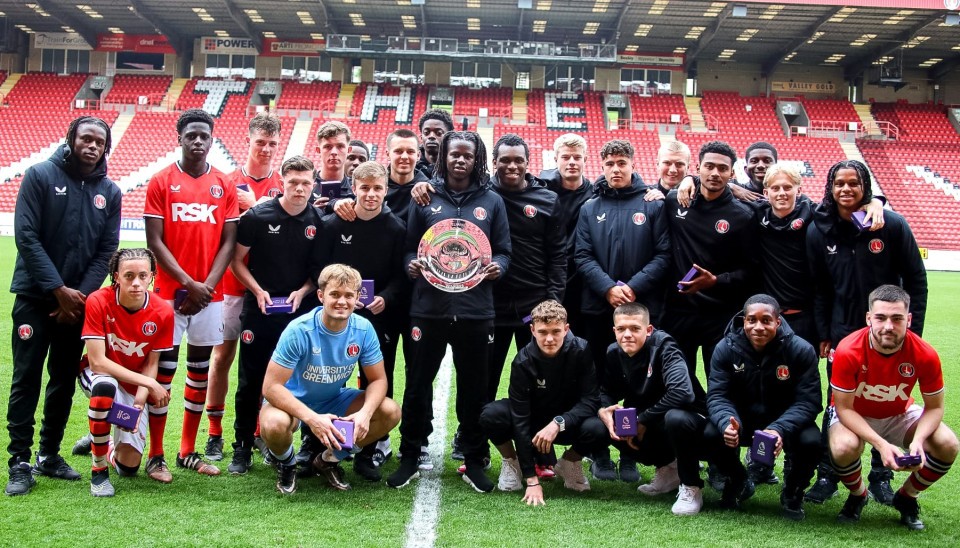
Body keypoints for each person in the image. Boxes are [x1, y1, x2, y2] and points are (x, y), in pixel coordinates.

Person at [387, 131, 511, 493]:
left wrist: (498, 267)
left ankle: (474, 458)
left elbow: (503, 250)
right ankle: (410, 454)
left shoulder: (492, 200)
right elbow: (410, 248)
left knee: (475, 388)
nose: (460, 161)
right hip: (428, 309)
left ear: (477, 159)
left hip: (476, 311)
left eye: (467, 156)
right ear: (443, 157)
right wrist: (412, 264)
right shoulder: (424, 196)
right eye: (454, 155)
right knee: (417, 384)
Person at [5, 115, 121, 496]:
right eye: (85, 139)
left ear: (106, 147)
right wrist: (57, 289)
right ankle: (19, 461)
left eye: (99, 142)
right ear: (71, 139)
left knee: (61, 381)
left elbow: (107, 249)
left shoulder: (110, 191)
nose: (92, 146)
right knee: (26, 378)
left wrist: (79, 296)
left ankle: (49, 454)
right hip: (36, 299)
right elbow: (26, 235)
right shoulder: (40, 175)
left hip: (77, 305)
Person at [805, 160, 928, 505]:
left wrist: (911, 333)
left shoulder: (890, 224)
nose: (846, 190)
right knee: (837, 403)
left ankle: (882, 475)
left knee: (886, 402)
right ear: (830, 188)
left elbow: (916, 280)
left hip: (889, 334)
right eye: (839, 184)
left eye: (853, 184)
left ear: (865, 188)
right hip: (843, 335)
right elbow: (820, 288)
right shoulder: (820, 230)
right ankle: (828, 474)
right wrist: (824, 333)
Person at [144, 108, 239, 477]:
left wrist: (207, 287)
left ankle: (187, 450)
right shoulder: (161, 181)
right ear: (179, 138)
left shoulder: (224, 184)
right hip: (169, 294)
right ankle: (155, 454)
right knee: (163, 375)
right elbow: (155, 241)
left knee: (199, 373)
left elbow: (228, 242)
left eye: (204, 136)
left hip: (209, 297)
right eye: (191, 136)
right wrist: (189, 284)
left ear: (212, 140)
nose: (198, 141)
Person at [575, 139, 672, 483]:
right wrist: (608, 288)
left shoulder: (653, 205)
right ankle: (599, 452)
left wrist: (633, 288)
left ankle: (630, 453)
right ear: (601, 167)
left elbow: (664, 254)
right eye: (609, 164)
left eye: (621, 162)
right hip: (598, 309)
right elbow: (582, 255)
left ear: (632, 164)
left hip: (641, 308)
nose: (616, 169)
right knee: (599, 379)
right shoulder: (590, 207)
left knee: (640, 382)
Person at [259, 264, 401, 494]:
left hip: (333, 399)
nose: (341, 302)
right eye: (334, 294)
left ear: (357, 298)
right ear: (321, 295)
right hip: (292, 402)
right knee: (275, 425)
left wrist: (364, 415)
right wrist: (312, 419)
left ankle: (328, 460)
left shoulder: (364, 329)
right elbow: (271, 387)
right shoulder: (299, 330)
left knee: (389, 411)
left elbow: (378, 380)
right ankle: (287, 464)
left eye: (348, 295)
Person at [226, 155, 325, 476]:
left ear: (314, 184)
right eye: (293, 182)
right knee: (250, 380)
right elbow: (236, 260)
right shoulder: (257, 216)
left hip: (301, 313)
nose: (299, 189)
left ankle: (300, 443)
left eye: (305, 183)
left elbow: (318, 272)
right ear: (282, 181)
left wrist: (303, 291)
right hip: (260, 310)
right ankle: (242, 446)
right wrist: (256, 290)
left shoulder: (318, 222)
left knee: (302, 381)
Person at [829, 285, 957, 530]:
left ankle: (906, 497)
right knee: (843, 447)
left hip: (898, 412)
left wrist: (918, 441)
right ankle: (858, 495)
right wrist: (881, 444)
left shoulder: (925, 354)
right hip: (855, 414)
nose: (888, 326)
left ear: (908, 320)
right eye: (880, 317)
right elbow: (844, 408)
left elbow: (935, 408)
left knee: (948, 444)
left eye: (897, 318)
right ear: (869, 318)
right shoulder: (848, 349)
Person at [205, 112, 284, 462]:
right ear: (247, 142)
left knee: (265, 365)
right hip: (229, 286)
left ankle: (256, 431)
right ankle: (215, 432)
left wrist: (259, 206)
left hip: (266, 289)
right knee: (222, 357)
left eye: (271, 144)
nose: (265, 149)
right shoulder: (226, 182)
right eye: (259, 143)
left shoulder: (284, 184)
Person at [320, 160, 408, 472]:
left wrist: (386, 297)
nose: (371, 195)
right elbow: (320, 267)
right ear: (353, 188)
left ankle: (366, 451)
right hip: (336, 317)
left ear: (386, 191)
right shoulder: (335, 224)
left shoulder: (396, 228)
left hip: (378, 317)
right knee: (327, 378)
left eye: (377, 189)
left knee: (378, 380)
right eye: (365, 188)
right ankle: (317, 444)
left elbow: (401, 275)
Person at [585, 302, 710, 515]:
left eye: (635, 328)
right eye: (621, 329)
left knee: (674, 418)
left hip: (693, 423)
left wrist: (643, 420)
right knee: (598, 426)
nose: (627, 335)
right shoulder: (614, 352)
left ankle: (692, 485)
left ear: (648, 330)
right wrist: (604, 410)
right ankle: (669, 469)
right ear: (614, 330)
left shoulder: (665, 347)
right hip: (653, 420)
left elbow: (683, 393)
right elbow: (607, 391)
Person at [705, 294, 822, 520]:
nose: (758, 327)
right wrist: (726, 420)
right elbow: (717, 395)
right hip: (742, 421)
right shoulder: (725, 348)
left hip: (784, 423)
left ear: (777, 322)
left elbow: (809, 401)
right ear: (743, 321)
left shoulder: (801, 349)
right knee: (711, 432)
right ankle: (738, 480)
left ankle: (793, 491)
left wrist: (779, 429)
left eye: (766, 320)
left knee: (811, 440)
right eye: (752, 320)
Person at [478, 300, 600, 505]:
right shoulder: (522, 361)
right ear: (532, 330)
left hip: (565, 422)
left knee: (598, 427)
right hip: (533, 420)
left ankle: (569, 462)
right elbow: (520, 418)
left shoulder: (581, 350)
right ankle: (513, 462)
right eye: (543, 332)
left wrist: (559, 422)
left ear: (566, 329)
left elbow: (590, 400)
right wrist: (532, 480)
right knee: (491, 415)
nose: (550, 338)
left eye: (556, 331)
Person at [79, 248, 174, 496]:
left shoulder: (163, 311)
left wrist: (139, 403)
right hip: (97, 374)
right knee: (104, 388)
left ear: (152, 276)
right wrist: (150, 385)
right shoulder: (98, 301)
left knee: (128, 467)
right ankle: (98, 471)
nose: (136, 283)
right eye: (129, 276)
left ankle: (100, 441)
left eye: (143, 276)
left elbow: (151, 364)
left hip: (135, 384)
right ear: (116, 276)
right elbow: (98, 362)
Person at [662, 140, 759, 383]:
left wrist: (716, 281)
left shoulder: (743, 215)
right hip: (678, 311)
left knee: (722, 383)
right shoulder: (675, 200)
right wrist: (688, 181)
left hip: (719, 315)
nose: (715, 173)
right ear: (698, 168)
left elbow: (751, 270)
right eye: (709, 166)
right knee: (679, 383)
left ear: (732, 173)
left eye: (722, 168)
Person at [539, 134, 592, 337]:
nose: (571, 162)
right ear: (556, 159)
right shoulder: (541, 190)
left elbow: (632, 183)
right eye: (566, 157)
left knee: (579, 342)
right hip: (547, 280)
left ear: (585, 160)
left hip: (581, 282)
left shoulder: (596, 193)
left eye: (577, 157)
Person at [311, 121, 353, 209]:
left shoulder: (356, 189)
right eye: (328, 147)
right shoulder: (306, 186)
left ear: (348, 150)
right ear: (318, 151)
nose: (334, 152)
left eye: (340, 146)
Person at [416, 109, 454, 179]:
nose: (431, 136)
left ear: (449, 137)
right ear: (421, 137)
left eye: (438, 133)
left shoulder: (456, 168)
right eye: (426, 133)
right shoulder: (412, 168)